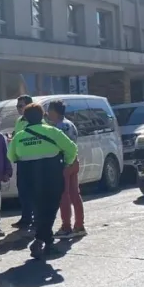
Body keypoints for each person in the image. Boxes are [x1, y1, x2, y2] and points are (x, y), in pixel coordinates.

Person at [7, 103, 78, 258]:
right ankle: (42, 240)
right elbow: (72, 149)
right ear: (43, 116)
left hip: (28, 176)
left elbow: (11, 156)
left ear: (25, 118)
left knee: (38, 209)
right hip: (51, 173)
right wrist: (66, 163)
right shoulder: (52, 131)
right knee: (50, 208)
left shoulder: (19, 136)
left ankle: (45, 241)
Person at [48, 100, 86, 238]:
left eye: (49, 110)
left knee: (64, 196)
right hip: (74, 161)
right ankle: (79, 225)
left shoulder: (59, 127)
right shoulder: (70, 124)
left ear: (54, 111)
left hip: (63, 163)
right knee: (75, 194)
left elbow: (59, 147)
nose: (47, 113)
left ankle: (66, 227)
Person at [13, 95, 35, 230]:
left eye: (20, 106)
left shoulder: (37, 120)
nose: (18, 109)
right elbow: (17, 137)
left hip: (35, 160)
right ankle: (26, 217)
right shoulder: (19, 121)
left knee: (36, 190)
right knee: (23, 190)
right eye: (17, 106)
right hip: (22, 160)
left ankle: (37, 218)